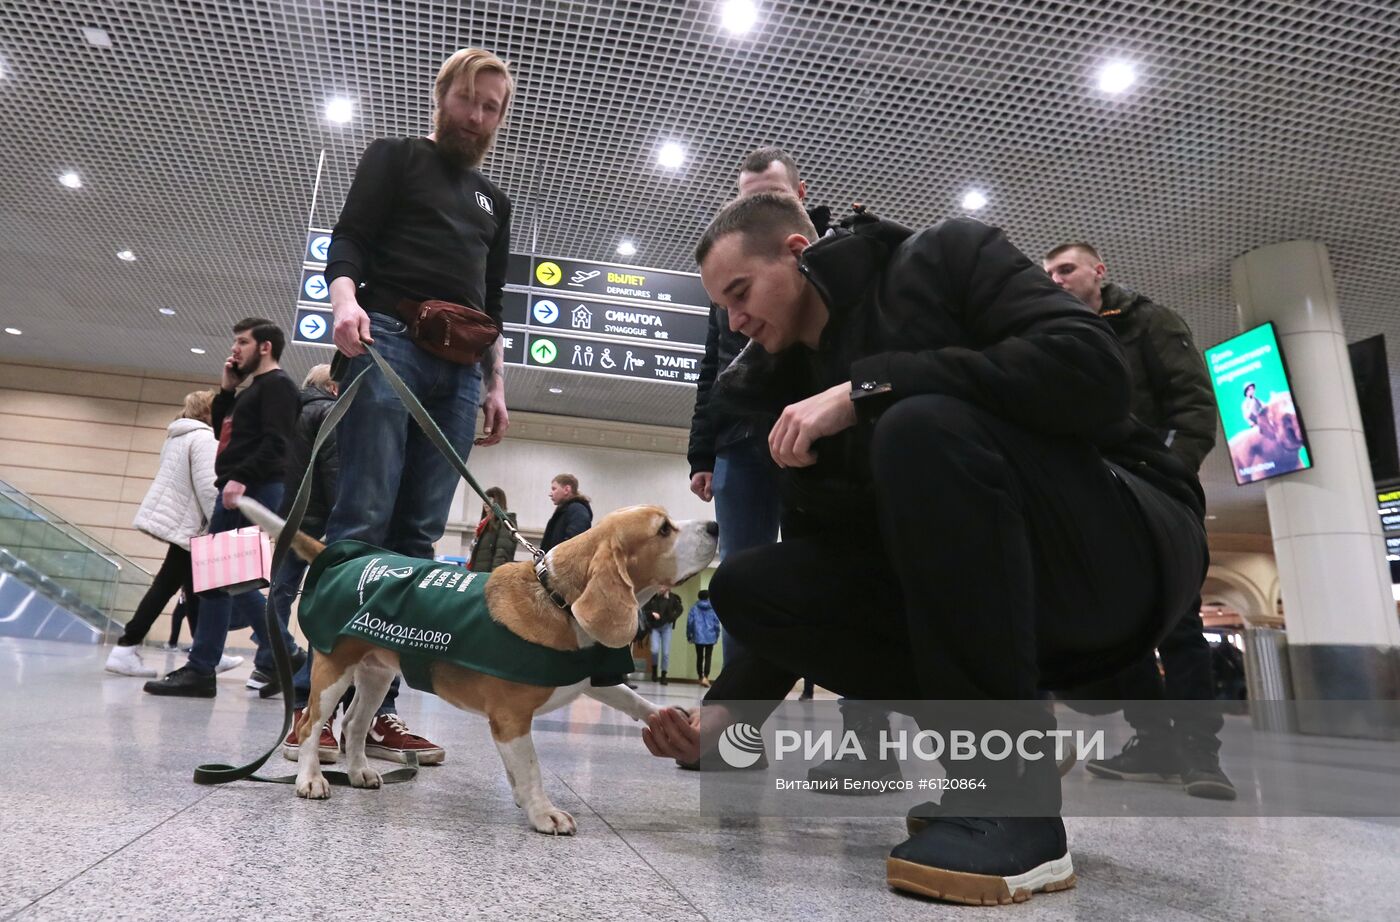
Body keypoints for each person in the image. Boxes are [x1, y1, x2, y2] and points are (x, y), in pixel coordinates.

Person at [642, 194, 1208, 905]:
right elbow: (828, 576)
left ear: (795, 251)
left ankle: (1015, 805)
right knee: (753, 586)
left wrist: (868, 388)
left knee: (920, 426)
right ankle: (1000, 753)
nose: (735, 321)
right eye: (722, 307)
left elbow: (1091, 371)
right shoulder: (780, 392)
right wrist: (722, 729)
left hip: (1122, 545)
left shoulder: (945, 257)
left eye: (741, 292)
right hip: (1000, 605)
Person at [293, 47, 514, 763]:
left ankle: (373, 714)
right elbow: (351, 237)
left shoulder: (494, 202)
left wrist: (496, 381)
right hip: (388, 339)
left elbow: (493, 300)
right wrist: (344, 300)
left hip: (460, 371)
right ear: (442, 95)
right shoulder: (394, 157)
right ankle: (315, 708)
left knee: (417, 546)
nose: (478, 118)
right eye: (468, 101)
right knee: (361, 527)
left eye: (492, 108)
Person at [1044, 242, 1232, 800]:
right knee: (1122, 625)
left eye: (1066, 269)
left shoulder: (1150, 322)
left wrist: (1165, 470)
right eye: (1048, 273)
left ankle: (1200, 751)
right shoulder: (1054, 335)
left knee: (1180, 622)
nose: (1055, 280)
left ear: (1098, 271)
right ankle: (1152, 740)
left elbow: (1193, 406)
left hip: (1157, 493)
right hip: (1095, 498)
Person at [687, 148, 830, 667]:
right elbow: (712, 371)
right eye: (749, 200)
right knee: (739, 579)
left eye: (773, 196)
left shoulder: (839, 264)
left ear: (801, 196)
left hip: (815, 440)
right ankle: (738, 725)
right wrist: (701, 453)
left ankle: (859, 716)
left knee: (823, 569)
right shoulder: (726, 283)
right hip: (740, 445)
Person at [145, 320, 303, 697]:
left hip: (252, 487)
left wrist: (240, 479)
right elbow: (225, 434)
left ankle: (279, 654)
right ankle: (215, 666)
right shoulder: (253, 390)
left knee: (225, 579)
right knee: (218, 582)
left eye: (242, 342)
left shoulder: (279, 387)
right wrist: (228, 391)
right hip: (241, 486)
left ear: (265, 347)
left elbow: (277, 443)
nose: (235, 349)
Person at [105, 390, 238, 677]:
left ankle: (207, 650)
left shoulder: (178, 436)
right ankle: (127, 646)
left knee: (191, 589)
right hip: (192, 525)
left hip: (182, 523)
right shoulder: (203, 438)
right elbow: (207, 486)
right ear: (207, 412)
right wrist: (222, 523)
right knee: (167, 586)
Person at [252, 364, 340, 698]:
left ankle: (267, 662)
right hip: (318, 521)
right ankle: (305, 668)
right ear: (332, 387)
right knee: (323, 598)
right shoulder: (329, 412)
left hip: (288, 517)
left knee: (280, 591)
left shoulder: (287, 414)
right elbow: (333, 468)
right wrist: (339, 516)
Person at [467, 486, 518, 572]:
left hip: (489, 576)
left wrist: (495, 576)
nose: (485, 503)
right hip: (479, 574)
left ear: (498, 501)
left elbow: (502, 554)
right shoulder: (484, 524)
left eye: (489, 499)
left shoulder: (504, 522)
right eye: (484, 499)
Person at [540, 474, 592, 551]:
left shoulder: (577, 510)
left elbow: (575, 545)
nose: (550, 494)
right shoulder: (565, 511)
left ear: (566, 489)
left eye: (554, 489)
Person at [643, 588, 683, 684]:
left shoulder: (672, 598)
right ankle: (654, 671)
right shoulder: (653, 597)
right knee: (654, 650)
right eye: (660, 587)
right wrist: (652, 613)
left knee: (665, 653)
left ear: (667, 588)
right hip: (654, 627)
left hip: (666, 627)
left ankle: (663, 675)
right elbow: (645, 609)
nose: (661, 589)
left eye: (663, 587)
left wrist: (668, 600)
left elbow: (679, 609)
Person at [685, 589, 720, 688]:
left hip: (698, 636)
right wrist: (717, 635)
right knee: (708, 657)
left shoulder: (694, 608)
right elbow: (716, 623)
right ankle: (706, 677)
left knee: (699, 657)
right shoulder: (713, 608)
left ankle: (700, 677)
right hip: (710, 635)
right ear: (708, 597)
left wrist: (689, 635)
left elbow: (690, 623)